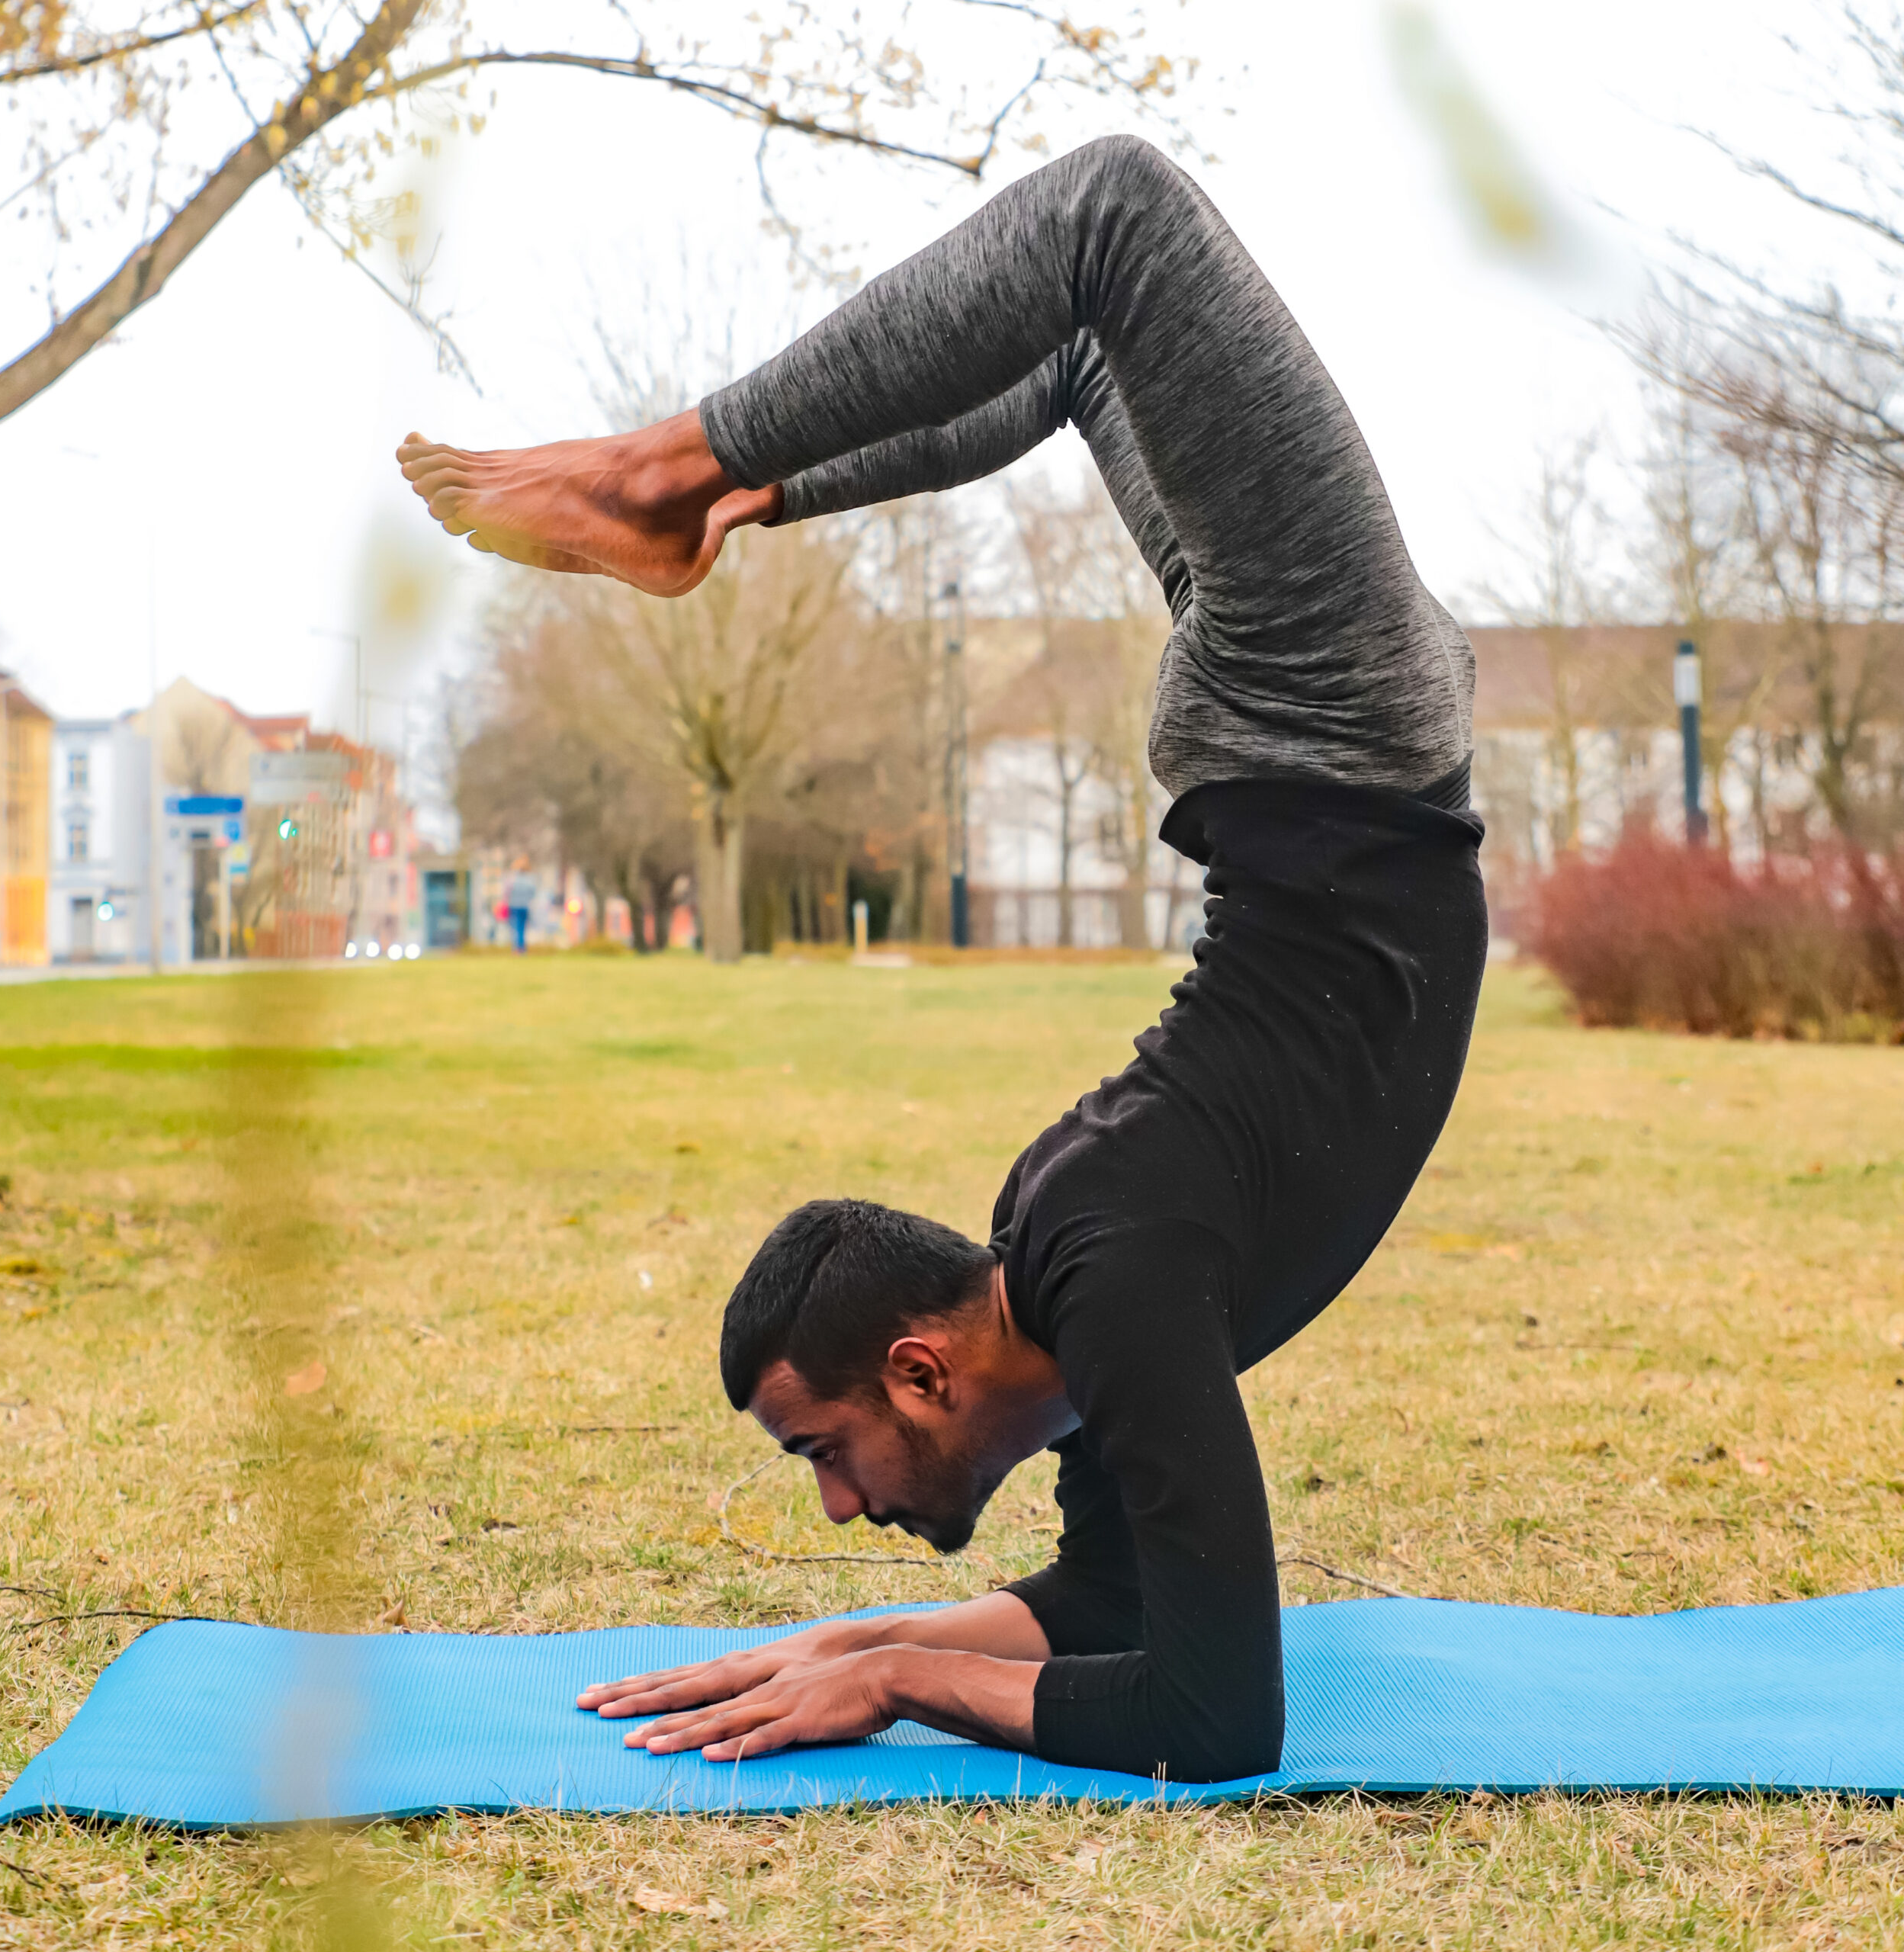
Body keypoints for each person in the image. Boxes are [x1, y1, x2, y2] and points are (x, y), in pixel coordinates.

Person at [400, 135, 1485, 1783]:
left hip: (1327, 729)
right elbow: (1122, 1604)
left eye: (822, 1449)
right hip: (1319, 757)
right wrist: (849, 1645)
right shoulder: (1083, 1286)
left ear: (919, 1367)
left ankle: (678, 470)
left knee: (1109, 224)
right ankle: (721, 493)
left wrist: (898, 1682)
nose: (834, 1503)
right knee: (1074, 330)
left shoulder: (1100, 1270)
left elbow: (1212, 1718)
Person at [502, 856, 536, 954]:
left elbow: (506, 892)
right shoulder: (530, 879)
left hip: (514, 906)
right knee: (522, 928)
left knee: (515, 928)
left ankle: (517, 948)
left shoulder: (512, 878)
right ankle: (522, 948)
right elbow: (533, 892)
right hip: (525, 906)